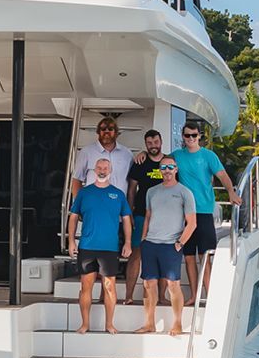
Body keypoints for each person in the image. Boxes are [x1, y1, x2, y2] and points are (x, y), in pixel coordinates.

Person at [173, 122, 242, 299]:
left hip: (203, 212)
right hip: (184, 214)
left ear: (199, 136)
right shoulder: (176, 156)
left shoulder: (208, 156)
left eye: (194, 135)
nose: (190, 139)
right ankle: (194, 296)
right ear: (183, 136)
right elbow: (161, 165)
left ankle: (210, 295)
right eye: (187, 135)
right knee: (188, 257)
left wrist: (231, 192)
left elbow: (222, 176)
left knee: (205, 256)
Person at [67, 157, 132, 334]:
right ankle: (85, 324)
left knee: (110, 287)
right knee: (86, 286)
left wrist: (127, 242)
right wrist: (71, 240)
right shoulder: (84, 193)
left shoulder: (118, 194)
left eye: (106, 167)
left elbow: (126, 220)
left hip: (109, 248)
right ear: (94, 170)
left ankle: (109, 324)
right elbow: (73, 217)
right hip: (87, 247)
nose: (102, 170)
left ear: (110, 171)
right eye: (99, 167)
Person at [135, 159, 196, 336]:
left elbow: (192, 223)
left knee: (173, 285)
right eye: (164, 167)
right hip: (150, 244)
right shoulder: (151, 192)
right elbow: (147, 216)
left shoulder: (185, 192)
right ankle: (149, 323)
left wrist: (180, 243)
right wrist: (143, 239)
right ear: (160, 170)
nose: (167, 170)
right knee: (148, 284)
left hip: (171, 245)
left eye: (171, 167)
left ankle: (177, 324)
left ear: (176, 169)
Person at [124, 128, 165, 305]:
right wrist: (130, 212)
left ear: (161, 142)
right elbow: (132, 189)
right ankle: (129, 295)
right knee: (136, 254)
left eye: (156, 142)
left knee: (161, 256)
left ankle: (161, 296)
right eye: (149, 143)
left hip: (164, 218)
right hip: (141, 213)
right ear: (146, 144)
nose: (153, 146)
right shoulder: (140, 162)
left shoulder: (169, 162)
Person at [70, 117, 134, 196]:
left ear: (116, 132)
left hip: (118, 205)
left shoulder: (127, 154)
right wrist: (79, 204)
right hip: (93, 204)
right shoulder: (86, 152)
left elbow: (132, 182)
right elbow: (77, 180)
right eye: (103, 129)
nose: (106, 131)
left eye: (110, 129)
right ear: (98, 132)